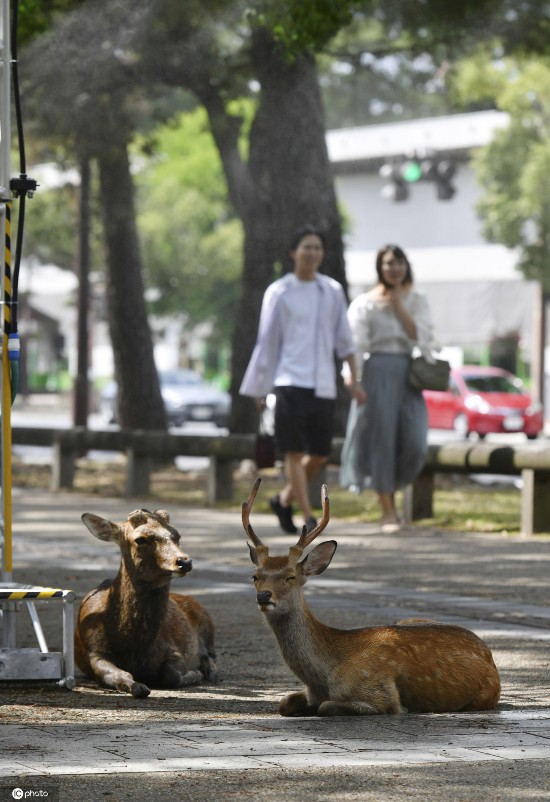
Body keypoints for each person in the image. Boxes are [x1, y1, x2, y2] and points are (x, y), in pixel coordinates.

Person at [240, 225, 365, 534]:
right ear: (293, 253)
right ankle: (309, 516)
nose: (312, 253)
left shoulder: (331, 290)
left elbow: (344, 339)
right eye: (306, 247)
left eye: (317, 248)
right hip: (288, 380)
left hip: (323, 381)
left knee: (320, 452)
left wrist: (353, 376)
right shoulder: (280, 291)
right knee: (294, 451)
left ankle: (283, 499)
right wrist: (260, 385)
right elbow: (266, 341)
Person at [340, 244, 434, 533]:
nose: (394, 268)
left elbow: (422, 335)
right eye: (388, 263)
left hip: (409, 373)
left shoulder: (417, 299)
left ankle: (396, 495)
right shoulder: (365, 303)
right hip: (377, 372)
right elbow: (355, 344)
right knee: (382, 440)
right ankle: (388, 511)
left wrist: (398, 305)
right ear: (380, 267)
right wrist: (352, 379)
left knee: (415, 443)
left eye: (399, 263)